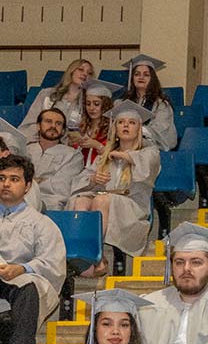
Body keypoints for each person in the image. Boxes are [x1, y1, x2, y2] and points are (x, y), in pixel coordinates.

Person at [67, 100, 160, 271]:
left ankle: (97, 253)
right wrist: (94, 179)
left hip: (133, 207)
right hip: (106, 201)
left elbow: (147, 170)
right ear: (115, 128)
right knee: (79, 200)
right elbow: (82, 180)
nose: (126, 126)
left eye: (132, 123)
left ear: (139, 129)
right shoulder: (104, 157)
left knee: (102, 200)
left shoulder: (149, 152)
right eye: (121, 122)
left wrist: (125, 156)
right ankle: (81, 250)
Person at [0, 154, 66, 344]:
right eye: (1, 178)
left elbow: (52, 262)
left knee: (29, 286)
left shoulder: (41, 223)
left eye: (14, 179)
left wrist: (21, 268)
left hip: (22, 282)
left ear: (27, 186)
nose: (6, 184)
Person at [26, 105, 85, 211]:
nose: (53, 126)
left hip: (50, 202)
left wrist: (30, 182)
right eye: (48, 121)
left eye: (58, 124)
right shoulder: (25, 150)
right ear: (38, 126)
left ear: (63, 131)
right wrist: (39, 181)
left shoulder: (73, 155)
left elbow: (61, 187)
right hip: (20, 197)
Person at [19, 59, 92, 140]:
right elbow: (30, 123)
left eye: (89, 73)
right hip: (39, 140)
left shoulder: (89, 102)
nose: (85, 74)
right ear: (71, 71)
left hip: (68, 145)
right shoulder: (46, 94)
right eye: (80, 69)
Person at [119, 54, 177, 150]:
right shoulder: (123, 103)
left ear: (152, 79)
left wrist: (135, 131)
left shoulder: (161, 105)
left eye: (146, 75)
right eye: (137, 74)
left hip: (151, 150)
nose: (141, 77)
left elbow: (158, 130)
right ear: (132, 78)